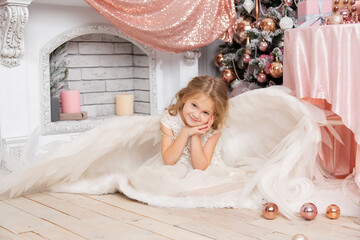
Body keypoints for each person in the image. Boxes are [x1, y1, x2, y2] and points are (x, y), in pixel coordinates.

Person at [0, 76, 359, 219]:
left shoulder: (213, 128)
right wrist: (185, 133)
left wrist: (200, 135)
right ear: (183, 99)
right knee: (157, 181)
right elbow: (170, 158)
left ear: (215, 115)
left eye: (206, 112)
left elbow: (201, 166)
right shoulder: (170, 121)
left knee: (225, 184)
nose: (197, 114)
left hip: (202, 170)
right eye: (193, 107)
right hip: (168, 170)